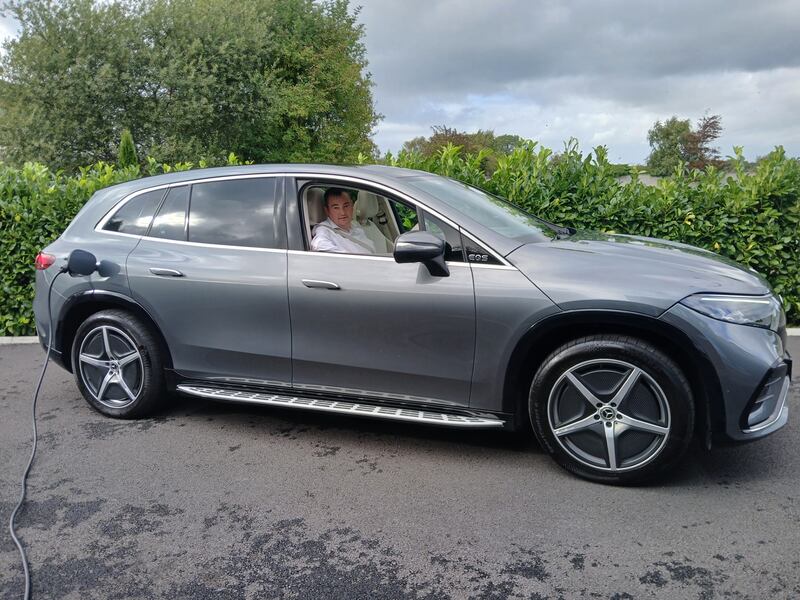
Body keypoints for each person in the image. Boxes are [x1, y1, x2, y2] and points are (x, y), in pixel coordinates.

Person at [311, 188, 376, 254]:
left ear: (352, 206)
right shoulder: (324, 231)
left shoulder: (357, 227)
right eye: (336, 208)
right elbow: (321, 248)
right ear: (327, 211)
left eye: (346, 206)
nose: (343, 212)